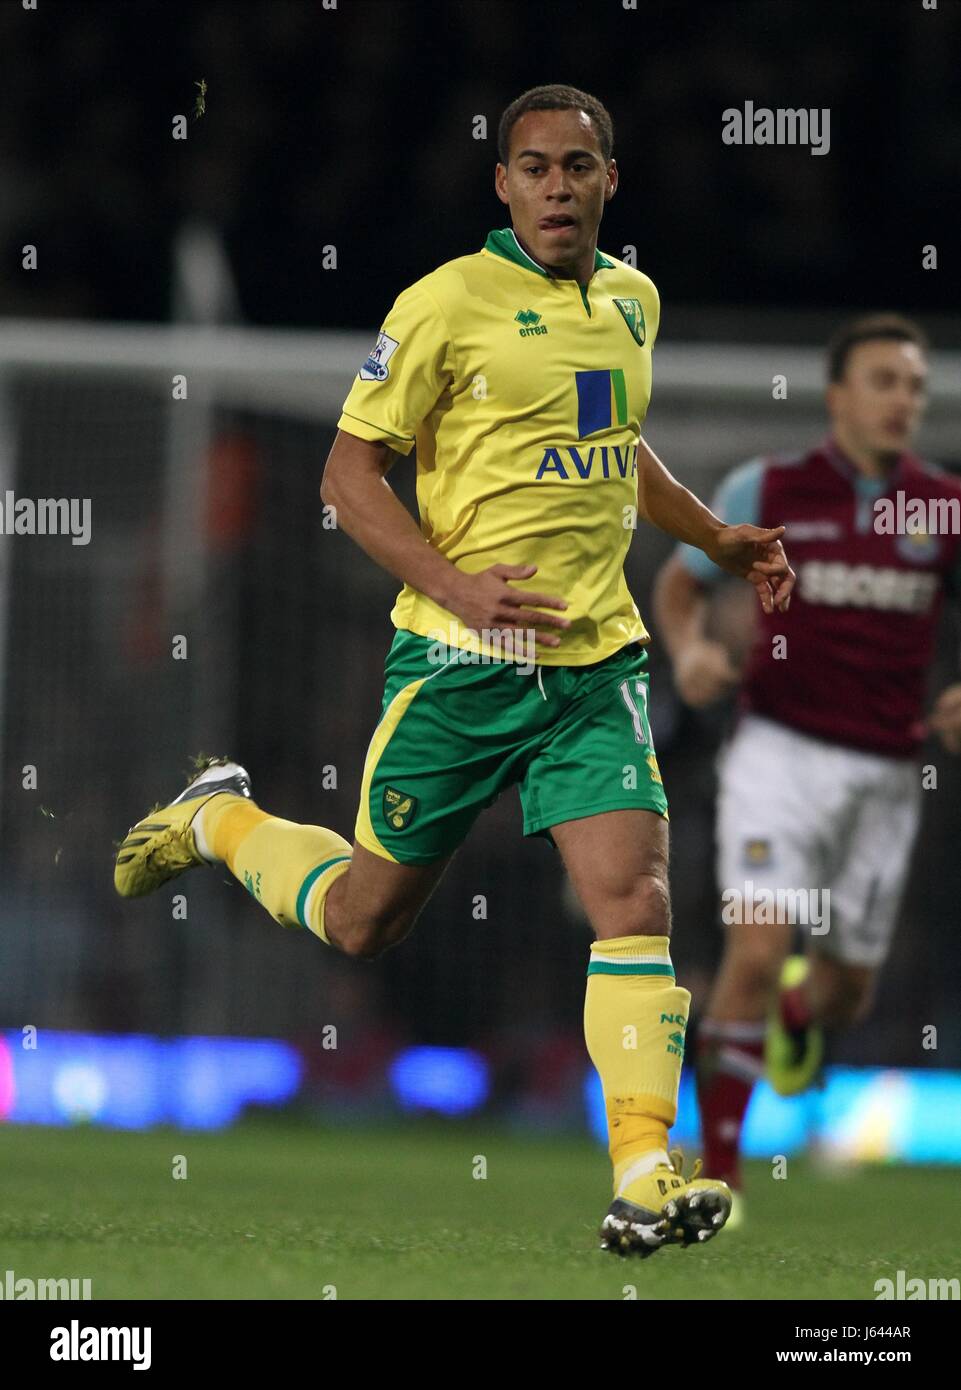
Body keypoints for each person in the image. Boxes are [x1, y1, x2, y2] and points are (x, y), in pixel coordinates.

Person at [114, 84, 793, 1257]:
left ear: (609, 182)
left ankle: (642, 1168)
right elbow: (346, 477)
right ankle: (222, 820)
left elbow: (614, 442)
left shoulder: (632, 302)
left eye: (578, 168)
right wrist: (462, 584)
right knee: (367, 920)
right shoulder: (442, 305)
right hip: (460, 662)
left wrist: (711, 537)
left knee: (631, 900)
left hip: (593, 661)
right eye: (534, 168)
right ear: (503, 184)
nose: (557, 188)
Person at [653, 313, 961, 1206]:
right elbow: (682, 579)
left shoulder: (939, 505)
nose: (902, 398)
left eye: (913, 385)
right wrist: (690, 650)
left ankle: (801, 1011)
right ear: (837, 397)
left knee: (845, 991)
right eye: (883, 381)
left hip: (885, 773)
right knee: (754, 950)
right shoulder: (768, 487)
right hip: (776, 757)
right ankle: (718, 1173)